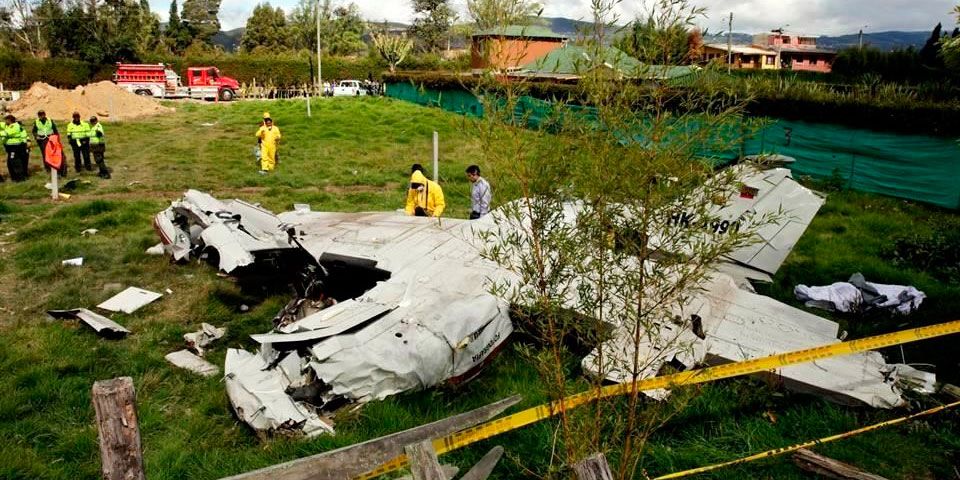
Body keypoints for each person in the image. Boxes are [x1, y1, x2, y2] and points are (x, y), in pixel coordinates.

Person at [1, 114, 29, 182]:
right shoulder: (7, 125)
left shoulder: (15, 126)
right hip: (10, 148)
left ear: (9, 120)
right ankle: (14, 177)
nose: (5, 121)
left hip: (15, 147)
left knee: (15, 162)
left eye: (6, 119)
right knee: (10, 163)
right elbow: (1, 124)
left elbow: (5, 133)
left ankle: (20, 178)